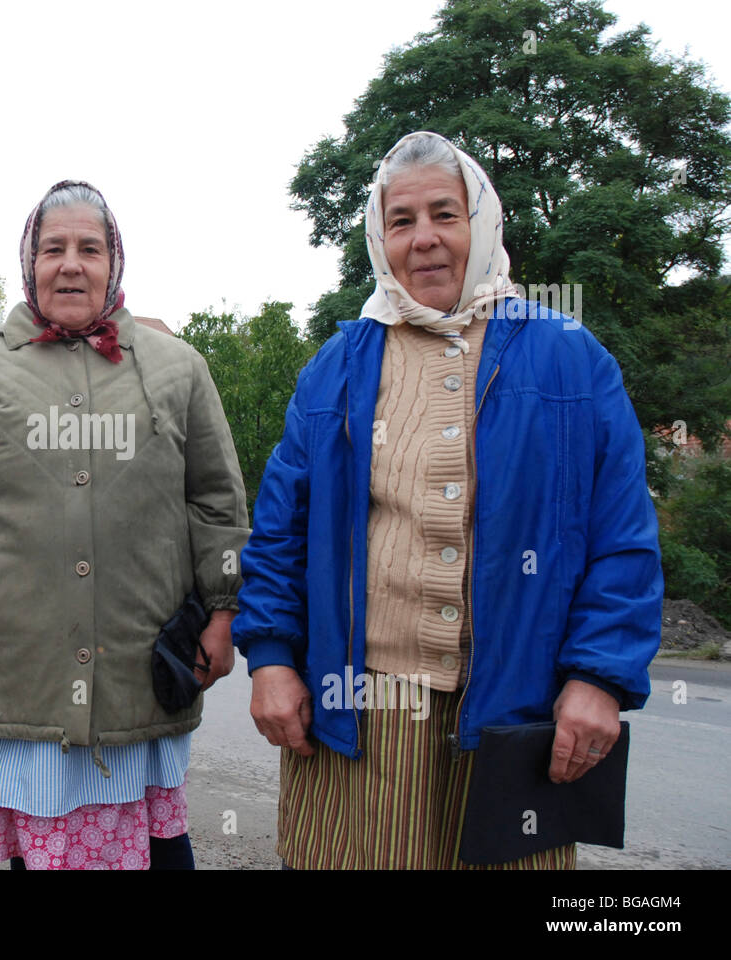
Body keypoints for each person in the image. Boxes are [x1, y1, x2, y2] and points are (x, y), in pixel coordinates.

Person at [232, 131, 663, 869]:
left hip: (516, 709)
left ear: (482, 223)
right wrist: (271, 658)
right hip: (363, 710)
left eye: (444, 214)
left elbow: (621, 537)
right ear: (380, 237)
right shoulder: (336, 369)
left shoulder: (570, 359)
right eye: (402, 221)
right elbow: (280, 534)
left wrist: (598, 677)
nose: (424, 239)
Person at [0, 180, 249, 870]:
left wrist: (225, 613)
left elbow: (217, 501)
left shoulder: (178, 368)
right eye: (53, 248)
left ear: (114, 262)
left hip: (143, 670)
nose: (71, 263)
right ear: (29, 262)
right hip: (15, 669)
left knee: (159, 849)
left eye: (90, 247)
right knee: (38, 847)